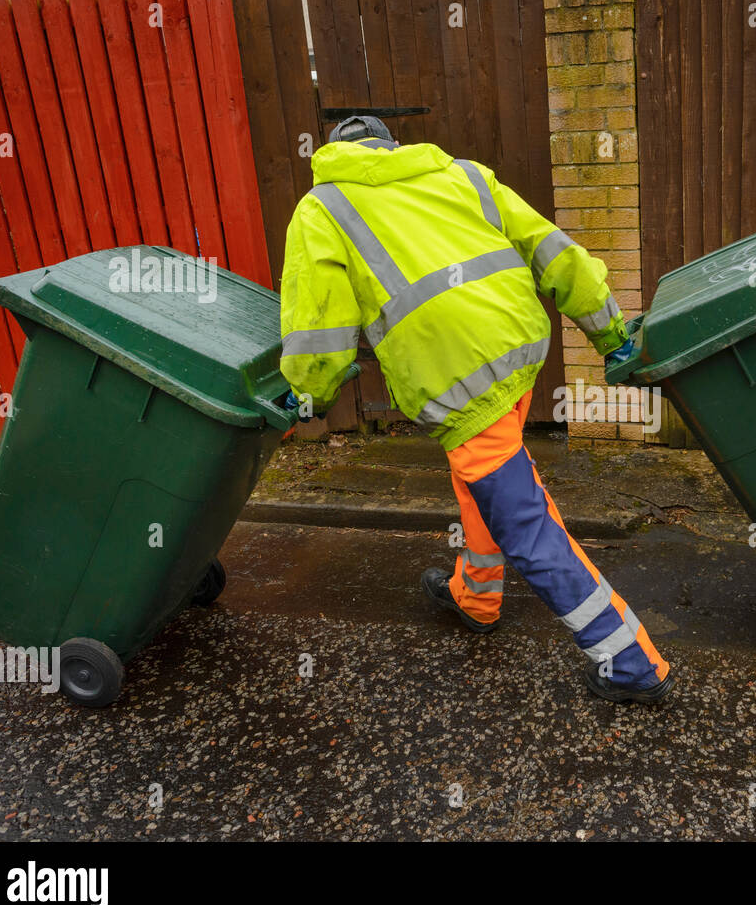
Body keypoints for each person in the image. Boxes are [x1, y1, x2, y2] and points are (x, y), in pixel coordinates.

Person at [277, 116, 673, 704]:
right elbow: (555, 253)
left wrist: (308, 394)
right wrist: (611, 332)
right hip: (518, 350)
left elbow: (320, 328)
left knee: (525, 524)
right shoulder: (463, 174)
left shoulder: (322, 209)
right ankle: (477, 597)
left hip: (459, 377)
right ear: (391, 145)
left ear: (335, 154)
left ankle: (630, 660)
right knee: (479, 482)